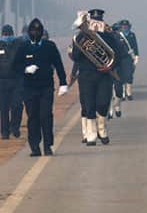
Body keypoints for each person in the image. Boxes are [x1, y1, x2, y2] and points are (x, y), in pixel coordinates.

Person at [13, 19, 67, 156]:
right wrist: (25, 69)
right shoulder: (23, 47)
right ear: (29, 32)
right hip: (29, 88)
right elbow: (15, 66)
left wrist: (63, 83)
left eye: (38, 31)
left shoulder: (49, 46)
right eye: (32, 31)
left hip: (46, 87)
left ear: (42, 32)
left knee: (46, 116)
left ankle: (48, 145)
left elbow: (59, 64)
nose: (35, 33)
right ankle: (35, 147)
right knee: (33, 117)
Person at [70, 9, 119, 146]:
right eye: (94, 21)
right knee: (89, 104)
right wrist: (81, 46)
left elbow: (118, 54)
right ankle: (91, 135)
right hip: (86, 75)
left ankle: (102, 130)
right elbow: (75, 57)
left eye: (99, 21)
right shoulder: (80, 37)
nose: (96, 24)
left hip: (104, 74)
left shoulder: (108, 35)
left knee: (103, 103)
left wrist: (111, 66)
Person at [0, 24, 25, 140]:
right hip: (2, 81)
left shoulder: (19, 44)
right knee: (4, 108)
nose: (7, 36)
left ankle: (14, 127)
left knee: (17, 106)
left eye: (8, 34)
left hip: (17, 80)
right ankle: (5, 132)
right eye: (5, 34)